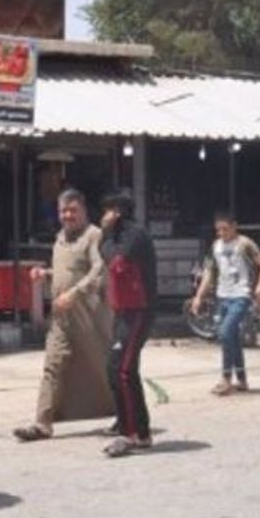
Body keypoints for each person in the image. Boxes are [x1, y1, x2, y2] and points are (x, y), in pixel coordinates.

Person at [13, 189, 115, 442]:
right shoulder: (60, 238)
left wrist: (74, 293)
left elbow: (99, 270)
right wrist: (45, 274)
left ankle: (124, 414)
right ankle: (42, 423)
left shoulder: (93, 236)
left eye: (73, 210)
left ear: (84, 211)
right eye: (63, 211)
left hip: (88, 317)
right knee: (52, 365)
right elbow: (66, 271)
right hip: (61, 318)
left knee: (102, 366)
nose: (68, 215)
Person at [99, 190, 158, 458]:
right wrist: (106, 236)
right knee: (123, 370)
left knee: (120, 369)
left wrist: (105, 236)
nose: (103, 216)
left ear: (117, 212)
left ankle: (129, 433)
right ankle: (140, 432)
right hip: (123, 310)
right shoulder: (115, 236)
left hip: (138, 310)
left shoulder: (134, 235)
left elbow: (116, 263)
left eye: (107, 211)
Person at [190, 211, 260, 395]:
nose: (222, 233)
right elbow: (209, 272)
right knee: (232, 337)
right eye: (218, 230)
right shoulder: (216, 246)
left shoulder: (244, 244)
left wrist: (259, 288)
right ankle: (242, 379)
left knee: (225, 332)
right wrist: (199, 296)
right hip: (222, 295)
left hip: (241, 294)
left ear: (234, 226)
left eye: (225, 229)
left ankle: (226, 378)